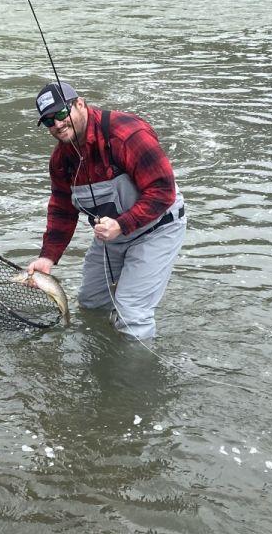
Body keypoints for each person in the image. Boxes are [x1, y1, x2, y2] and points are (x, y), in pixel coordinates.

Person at [26, 81, 185, 340]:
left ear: (80, 104)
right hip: (112, 235)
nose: (56, 125)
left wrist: (121, 225)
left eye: (61, 114)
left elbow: (163, 190)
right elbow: (62, 210)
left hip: (158, 226)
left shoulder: (125, 134)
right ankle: (101, 353)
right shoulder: (60, 160)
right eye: (47, 121)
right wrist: (48, 257)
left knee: (131, 314)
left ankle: (131, 377)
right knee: (91, 304)